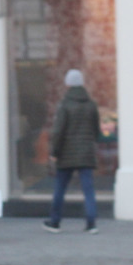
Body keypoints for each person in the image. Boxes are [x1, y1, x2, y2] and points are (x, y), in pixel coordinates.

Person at [43, 69, 101, 234]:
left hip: (66, 154)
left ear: (68, 84)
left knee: (60, 188)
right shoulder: (91, 104)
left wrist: (54, 152)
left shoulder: (65, 105)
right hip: (86, 153)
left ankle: (55, 222)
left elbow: (58, 131)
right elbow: (96, 130)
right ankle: (91, 224)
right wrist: (91, 144)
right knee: (88, 190)